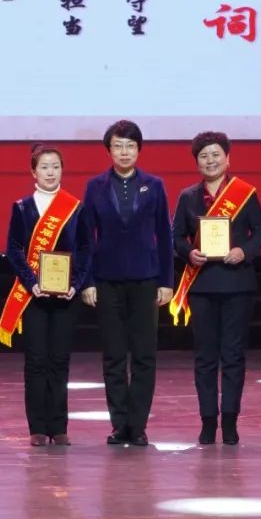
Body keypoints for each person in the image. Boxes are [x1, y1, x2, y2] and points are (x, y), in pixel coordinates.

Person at [170, 131, 261, 445]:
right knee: (205, 357)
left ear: (228, 159)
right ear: (197, 162)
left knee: (233, 355)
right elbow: (176, 236)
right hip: (202, 285)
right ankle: (207, 421)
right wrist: (190, 253)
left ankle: (230, 421)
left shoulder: (245, 193)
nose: (210, 160)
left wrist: (244, 251)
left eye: (216, 154)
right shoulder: (188, 197)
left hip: (237, 283)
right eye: (204, 156)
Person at [80, 120, 174, 447]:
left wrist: (167, 281)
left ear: (139, 150)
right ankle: (119, 424)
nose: (124, 152)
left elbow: (164, 235)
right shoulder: (95, 186)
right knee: (114, 355)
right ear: (109, 150)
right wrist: (87, 281)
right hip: (107, 280)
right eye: (118, 146)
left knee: (145, 355)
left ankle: (138, 425)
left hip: (146, 279)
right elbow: (85, 238)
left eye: (130, 146)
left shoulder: (155, 185)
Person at [0, 144, 91, 446]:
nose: (50, 172)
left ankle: (59, 426)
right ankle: (37, 427)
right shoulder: (22, 208)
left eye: (55, 166)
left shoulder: (75, 208)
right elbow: (14, 249)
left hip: (66, 297)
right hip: (34, 296)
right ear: (33, 172)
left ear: (62, 170)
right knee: (36, 361)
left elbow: (86, 249)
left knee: (60, 361)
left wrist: (75, 284)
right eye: (44, 167)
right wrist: (31, 282)